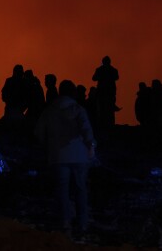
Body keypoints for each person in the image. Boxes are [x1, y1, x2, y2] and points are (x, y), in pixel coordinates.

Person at [35, 80, 96, 237]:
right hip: (80, 156)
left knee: (63, 190)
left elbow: (39, 133)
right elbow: (86, 130)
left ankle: (65, 222)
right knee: (81, 190)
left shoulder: (49, 111)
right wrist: (90, 147)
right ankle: (82, 224)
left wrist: (47, 147)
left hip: (58, 156)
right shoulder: (78, 109)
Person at [92, 56, 119, 126]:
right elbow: (117, 77)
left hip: (102, 92)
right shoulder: (113, 70)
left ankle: (103, 123)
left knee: (102, 108)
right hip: (110, 92)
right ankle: (110, 124)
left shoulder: (99, 70)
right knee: (110, 108)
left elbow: (94, 78)